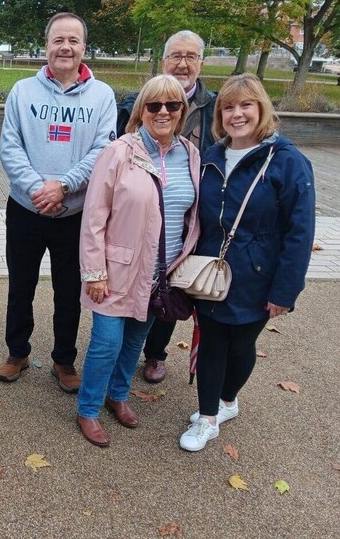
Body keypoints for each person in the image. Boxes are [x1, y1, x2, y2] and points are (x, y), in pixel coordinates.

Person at [179, 74, 315, 452]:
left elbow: (299, 232)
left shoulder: (287, 162)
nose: (236, 114)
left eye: (245, 106)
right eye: (227, 107)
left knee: (240, 347)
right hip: (210, 271)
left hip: (257, 275)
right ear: (219, 114)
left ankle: (227, 401)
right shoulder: (211, 156)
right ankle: (208, 419)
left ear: (261, 109)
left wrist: (285, 290)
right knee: (212, 343)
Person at [76, 74, 201, 447]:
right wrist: (94, 272)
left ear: (182, 111)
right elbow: (94, 217)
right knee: (107, 344)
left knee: (134, 344)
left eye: (172, 105)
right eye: (154, 105)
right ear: (140, 110)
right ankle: (88, 408)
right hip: (117, 270)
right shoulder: (120, 152)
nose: (163, 112)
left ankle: (118, 395)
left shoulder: (190, 154)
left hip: (162, 273)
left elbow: (192, 214)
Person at [0, 12, 117, 393]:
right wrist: (38, 189)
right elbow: (10, 147)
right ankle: (17, 352)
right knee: (21, 286)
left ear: (84, 47)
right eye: (57, 40)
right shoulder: (22, 92)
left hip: (75, 214)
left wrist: (62, 186)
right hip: (26, 210)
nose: (65, 47)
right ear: (46, 45)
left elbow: (102, 151)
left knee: (69, 293)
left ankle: (63, 360)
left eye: (73, 40)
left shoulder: (102, 96)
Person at [117, 30, 217, 384]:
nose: (183, 63)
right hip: (139, 214)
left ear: (201, 63)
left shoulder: (214, 107)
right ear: (164, 60)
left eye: (191, 56)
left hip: (188, 213)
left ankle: (155, 354)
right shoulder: (135, 103)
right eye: (176, 55)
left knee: (170, 289)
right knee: (131, 289)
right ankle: (122, 354)